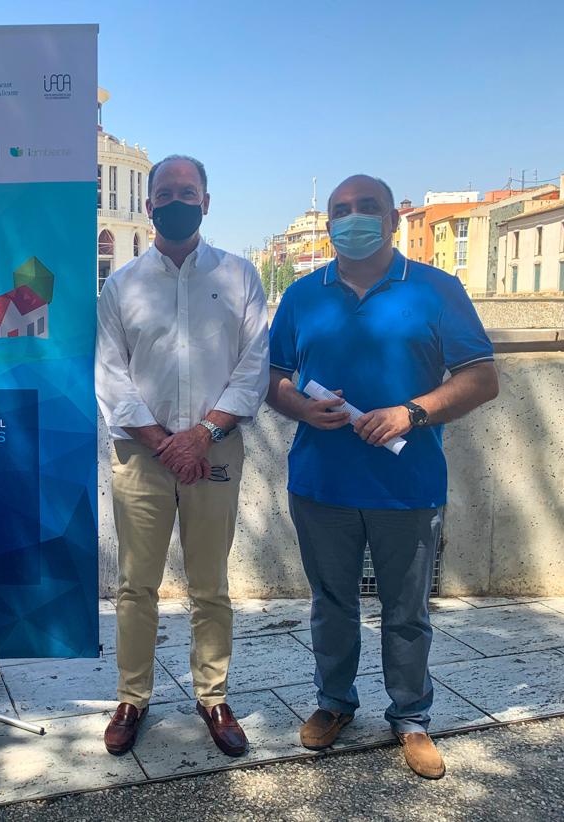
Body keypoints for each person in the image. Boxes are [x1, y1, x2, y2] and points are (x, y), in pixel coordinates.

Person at [266, 175, 499, 779]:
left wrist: (412, 411)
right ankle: (334, 704)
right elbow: (272, 381)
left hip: (410, 483)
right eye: (340, 211)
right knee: (332, 605)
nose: (351, 219)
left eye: (365, 208)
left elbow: (482, 378)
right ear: (328, 226)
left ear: (392, 219)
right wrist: (299, 406)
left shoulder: (437, 290)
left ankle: (412, 718)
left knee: (407, 610)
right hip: (321, 482)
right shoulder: (300, 295)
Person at [95, 155, 270, 757]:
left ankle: (213, 697)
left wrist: (203, 434)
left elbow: (254, 367)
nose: (176, 201)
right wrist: (164, 442)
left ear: (206, 201)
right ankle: (131, 698)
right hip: (142, 456)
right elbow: (111, 376)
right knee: (135, 586)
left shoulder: (242, 276)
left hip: (214, 451)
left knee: (210, 584)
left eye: (187, 192)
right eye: (165, 193)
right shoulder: (120, 285)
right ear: (148, 206)